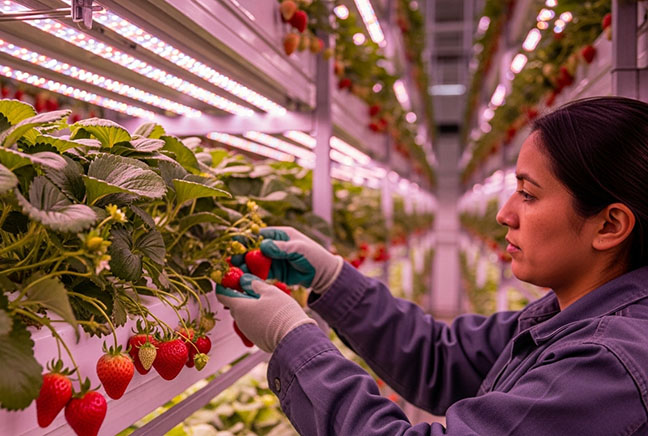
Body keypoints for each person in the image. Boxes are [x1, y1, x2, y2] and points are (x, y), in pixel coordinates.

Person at [216, 96, 648, 435]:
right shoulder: (569, 316)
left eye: (529, 194)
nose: (504, 214)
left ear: (609, 225)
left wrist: (292, 339)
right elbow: (441, 360)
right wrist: (332, 278)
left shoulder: (608, 363)